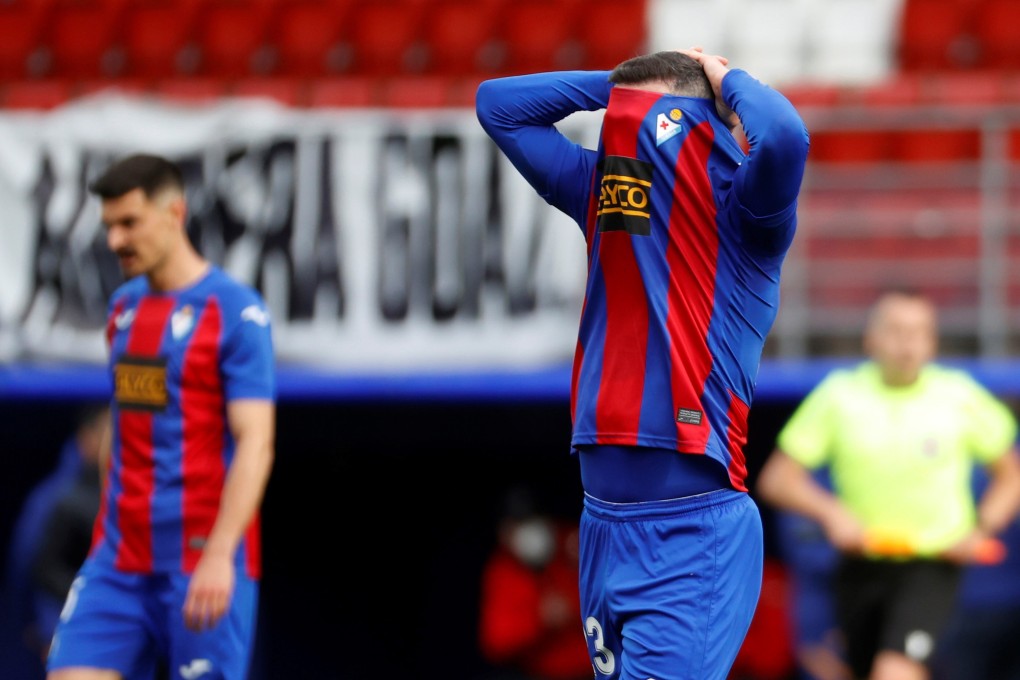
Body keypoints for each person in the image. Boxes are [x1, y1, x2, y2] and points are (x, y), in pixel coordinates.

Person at [476, 47, 810, 679]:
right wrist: (617, 87)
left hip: (693, 531)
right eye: (623, 119)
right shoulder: (603, 190)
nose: (632, 131)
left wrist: (724, 79)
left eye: (649, 118)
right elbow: (498, 106)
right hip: (601, 525)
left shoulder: (744, 211)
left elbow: (786, 134)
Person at [45, 153, 277, 680]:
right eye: (108, 227)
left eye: (129, 223)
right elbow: (120, 424)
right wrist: (109, 526)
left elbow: (255, 443)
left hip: (201, 562)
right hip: (118, 564)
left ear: (175, 212)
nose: (115, 242)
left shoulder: (236, 312)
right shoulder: (123, 308)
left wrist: (220, 554)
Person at [756, 288, 1020, 680]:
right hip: (859, 564)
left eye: (917, 332)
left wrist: (981, 529)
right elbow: (777, 480)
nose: (906, 343)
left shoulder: (960, 396)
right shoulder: (838, 396)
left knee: (894, 670)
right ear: (871, 338)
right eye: (895, 330)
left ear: (931, 341)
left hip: (932, 563)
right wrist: (832, 513)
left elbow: (1010, 475)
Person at [3, 403, 109, 679]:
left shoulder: (125, 493)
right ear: (87, 438)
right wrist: (43, 626)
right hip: (64, 623)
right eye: (110, 433)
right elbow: (31, 565)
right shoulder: (56, 498)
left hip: (108, 627)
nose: (119, 443)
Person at [477, 486, 592, 680]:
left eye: (534, 519)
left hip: (597, 668)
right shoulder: (501, 570)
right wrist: (540, 618)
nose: (531, 530)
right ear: (504, 533)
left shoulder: (573, 542)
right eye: (520, 523)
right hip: (543, 672)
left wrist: (575, 604)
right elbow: (495, 641)